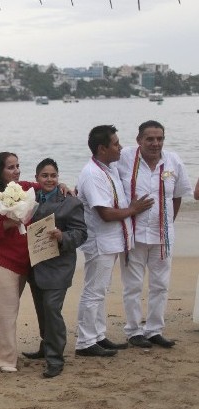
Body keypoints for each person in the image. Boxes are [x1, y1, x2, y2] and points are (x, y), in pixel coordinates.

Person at [75, 125, 153, 357]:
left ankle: (98, 335)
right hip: (100, 241)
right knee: (94, 291)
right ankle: (85, 342)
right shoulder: (92, 173)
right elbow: (106, 213)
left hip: (112, 240)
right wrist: (134, 209)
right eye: (116, 144)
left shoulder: (107, 168)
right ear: (102, 148)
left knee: (101, 290)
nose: (120, 148)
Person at [115, 121, 193, 349]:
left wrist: (167, 222)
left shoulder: (173, 160)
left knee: (160, 284)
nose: (155, 143)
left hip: (163, 236)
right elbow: (103, 177)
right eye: (150, 139)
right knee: (132, 285)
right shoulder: (125, 158)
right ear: (139, 140)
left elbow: (177, 196)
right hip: (134, 234)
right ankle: (133, 331)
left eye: (159, 139)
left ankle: (154, 330)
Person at [24, 159, 87, 378]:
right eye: (44, 175)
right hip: (35, 263)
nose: (49, 179)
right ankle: (45, 345)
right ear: (37, 178)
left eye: (53, 175)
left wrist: (63, 236)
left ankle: (55, 358)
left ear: (58, 177)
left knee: (52, 308)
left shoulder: (71, 202)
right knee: (42, 308)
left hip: (59, 264)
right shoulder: (29, 198)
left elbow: (81, 233)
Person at [0, 152, 37, 373]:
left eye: (18, 166)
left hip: (18, 259)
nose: (16, 170)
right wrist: (8, 224)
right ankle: (6, 360)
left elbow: (35, 186)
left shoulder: (18, 189)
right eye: (11, 167)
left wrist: (60, 185)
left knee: (0, 311)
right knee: (8, 312)